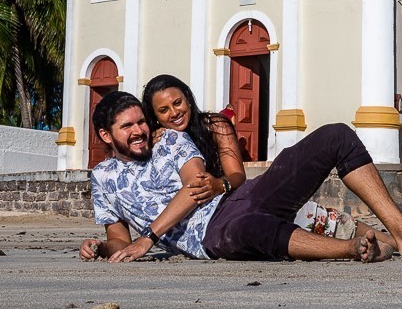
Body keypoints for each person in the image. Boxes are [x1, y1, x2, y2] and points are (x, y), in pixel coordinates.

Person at [79, 90, 402, 263]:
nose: (140, 130)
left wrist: (149, 237)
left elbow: (197, 188)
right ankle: (357, 249)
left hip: (232, 202)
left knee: (335, 135)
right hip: (212, 238)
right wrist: (103, 248)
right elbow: (118, 238)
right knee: (251, 231)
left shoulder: (170, 141)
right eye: (127, 126)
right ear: (105, 135)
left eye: (141, 122)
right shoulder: (103, 179)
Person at [141, 74, 373, 241]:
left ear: (188, 100)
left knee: (330, 223)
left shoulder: (214, 126)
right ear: (156, 117)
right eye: (164, 110)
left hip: (243, 201)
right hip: (223, 224)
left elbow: (237, 175)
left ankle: (393, 241)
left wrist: (218, 184)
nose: (174, 113)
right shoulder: (157, 142)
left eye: (177, 103)